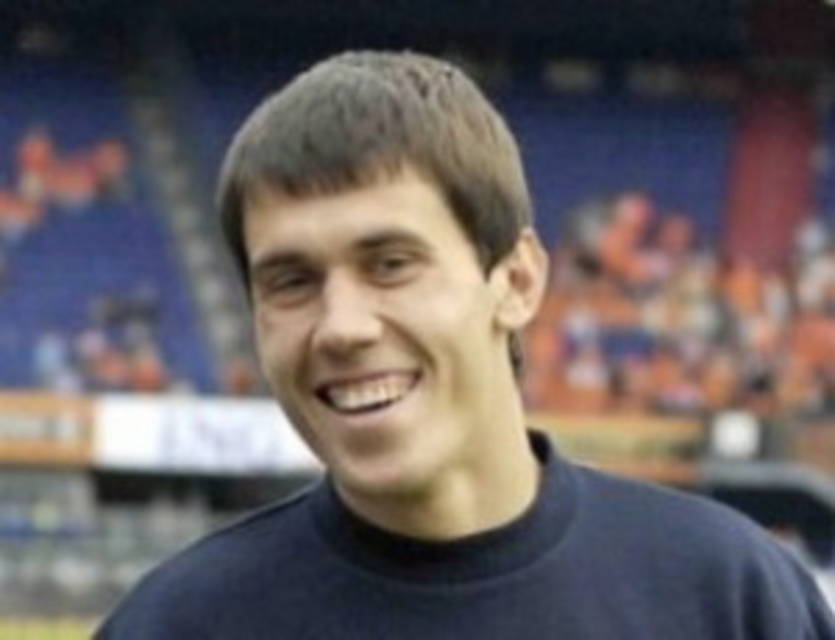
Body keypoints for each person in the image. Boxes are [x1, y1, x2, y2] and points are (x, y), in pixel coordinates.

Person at [96, 51, 835, 639]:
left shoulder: (728, 596)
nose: (342, 326)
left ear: (516, 280)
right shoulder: (176, 625)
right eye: (291, 281)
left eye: (391, 264)